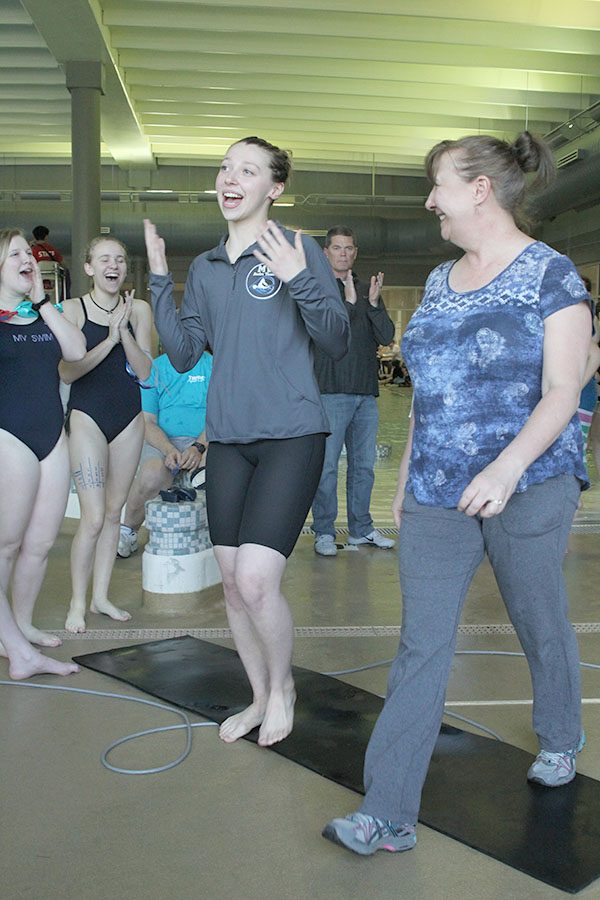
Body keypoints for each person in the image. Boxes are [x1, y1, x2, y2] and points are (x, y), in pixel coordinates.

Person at [323, 132, 591, 856]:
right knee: (421, 644)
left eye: (437, 184)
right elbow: (429, 399)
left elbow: (565, 389)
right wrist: (408, 476)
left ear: (479, 189)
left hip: (530, 480)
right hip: (440, 487)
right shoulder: (440, 282)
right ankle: (387, 812)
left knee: (538, 616)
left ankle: (562, 735)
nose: (428, 199)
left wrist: (504, 470)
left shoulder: (551, 274)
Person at [144, 135, 349, 746]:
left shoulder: (297, 249)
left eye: (248, 170)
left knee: (259, 580)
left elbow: (336, 341)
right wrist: (159, 278)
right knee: (232, 581)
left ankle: (283, 686)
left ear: (274, 188)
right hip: (229, 440)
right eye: (226, 168)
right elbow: (182, 354)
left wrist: (300, 280)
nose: (231, 178)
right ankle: (258, 695)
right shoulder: (205, 267)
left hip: (292, 434)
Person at [0, 228, 85, 678]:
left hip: (51, 435)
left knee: (39, 544)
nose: (26, 258)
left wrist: (42, 300)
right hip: (7, 435)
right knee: (6, 544)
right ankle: (15, 649)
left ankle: (22, 625)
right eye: (15, 253)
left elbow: (76, 351)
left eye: (29, 253)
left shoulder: (41, 317)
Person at [60, 236, 152, 633]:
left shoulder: (141, 310)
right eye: (104, 259)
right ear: (89, 268)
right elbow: (66, 371)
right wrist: (109, 340)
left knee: (114, 514)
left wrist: (126, 332)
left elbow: (146, 372)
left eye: (119, 259)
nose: (113, 266)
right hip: (87, 417)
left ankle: (101, 597)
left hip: (128, 418)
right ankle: (77, 603)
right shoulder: (72, 310)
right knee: (94, 518)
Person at [311, 226, 396, 557]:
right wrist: (347, 304)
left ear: (355, 253)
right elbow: (328, 333)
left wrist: (373, 304)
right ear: (325, 252)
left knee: (364, 467)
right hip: (330, 392)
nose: (343, 253)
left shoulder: (367, 288)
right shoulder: (317, 290)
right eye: (337, 248)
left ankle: (360, 530)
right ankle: (324, 531)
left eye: (349, 248)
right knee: (327, 467)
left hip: (365, 394)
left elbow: (387, 335)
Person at [118, 350, 213, 557]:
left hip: (205, 441)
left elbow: (220, 417)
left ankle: (211, 537)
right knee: (151, 474)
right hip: (162, 441)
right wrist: (168, 449)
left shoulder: (213, 365)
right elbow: (147, 421)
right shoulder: (155, 368)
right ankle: (127, 531)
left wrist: (198, 447)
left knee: (207, 478)